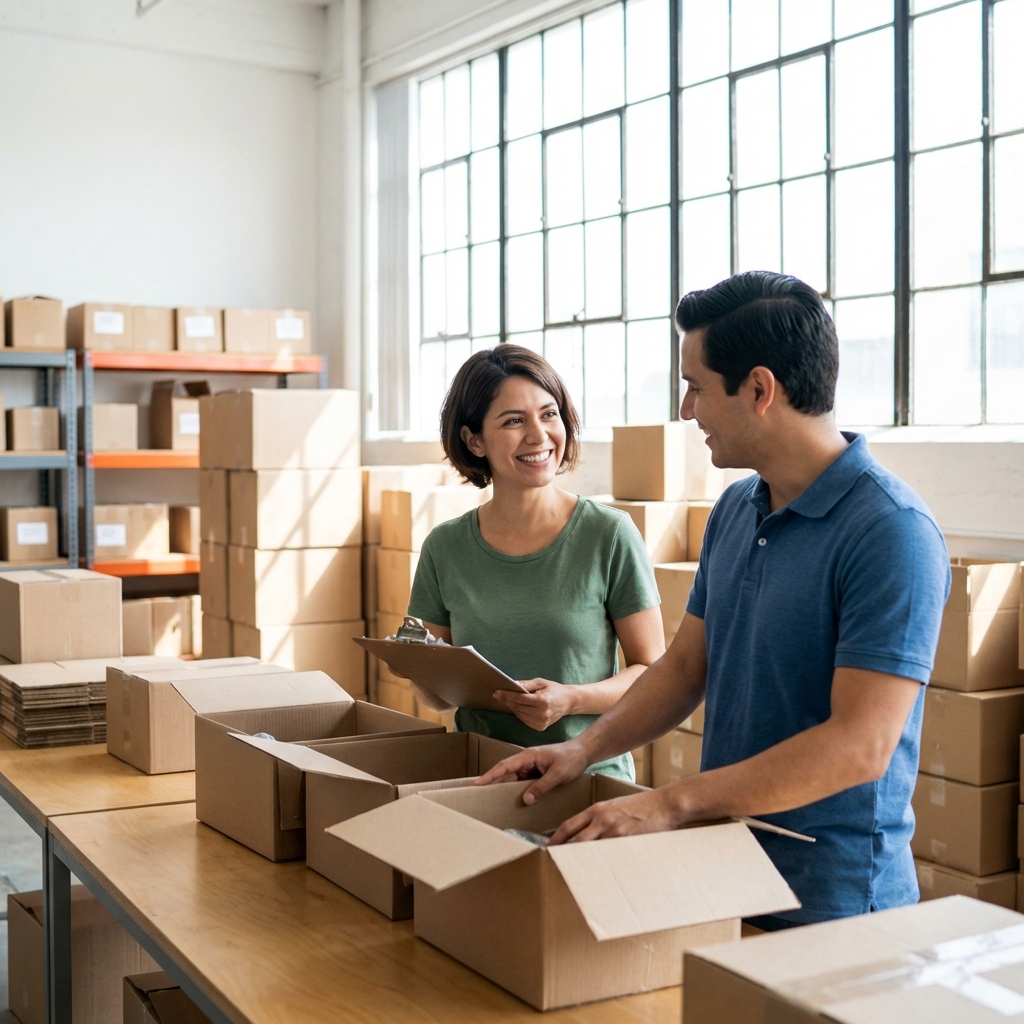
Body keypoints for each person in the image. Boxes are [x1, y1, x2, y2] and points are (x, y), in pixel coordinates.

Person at [478, 272, 951, 928]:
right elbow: (683, 669)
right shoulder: (736, 509)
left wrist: (669, 804)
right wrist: (581, 751)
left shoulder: (890, 531)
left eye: (696, 386)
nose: (686, 409)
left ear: (759, 390)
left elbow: (860, 745)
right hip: (722, 870)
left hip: (832, 900)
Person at [404, 344, 665, 782]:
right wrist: (419, 667)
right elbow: (438, 699)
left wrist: (572, 699)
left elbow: (652, 674)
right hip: (482, 779)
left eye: (549, 414)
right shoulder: (444, 547)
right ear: (474, 440)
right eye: (513, 421)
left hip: (588, 780)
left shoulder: (609, 534)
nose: (539, 435)